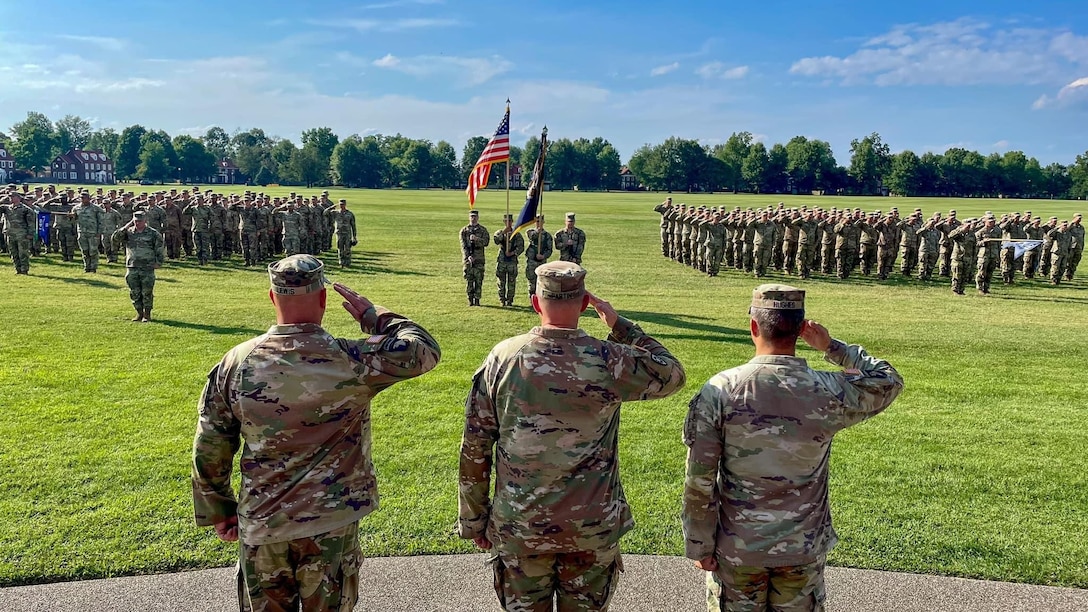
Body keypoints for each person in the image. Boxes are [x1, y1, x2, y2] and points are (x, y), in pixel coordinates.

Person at [192, 254, 441, 612]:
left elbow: (211, 445)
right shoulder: (350, 359)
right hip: (331, 525)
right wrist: (377, 317)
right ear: (324, 299)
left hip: (263, 522)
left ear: (272, 297)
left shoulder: (236, 363)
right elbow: (422, 349)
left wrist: (219, 508)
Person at [459, 261, 686, 612]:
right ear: (583, 304)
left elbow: (476, 446)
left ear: (536, 302)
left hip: (521, 525)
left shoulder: (503, 358)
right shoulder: (610, 358)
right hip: (590, 527)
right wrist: (621, 326)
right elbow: (671, 373)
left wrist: (474, 519)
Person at [682, 284, 903, 612]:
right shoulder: (826, 389)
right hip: (801, 550)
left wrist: (700, 544)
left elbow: (699, 479)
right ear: (801, 330)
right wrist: (832, 347)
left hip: (739, 548)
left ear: (753, 327)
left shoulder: (721, 390)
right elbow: (887, 380)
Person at [112, 211, 164, 322]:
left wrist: (158, 262)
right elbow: (115, 238)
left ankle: (147, 314)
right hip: (132, 266)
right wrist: (126, 226)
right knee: (134, 292)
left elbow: (159, 248)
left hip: (147, 266)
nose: (137, 223)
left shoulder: (153, 233)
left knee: (147, 292)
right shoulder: (129, 233)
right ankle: (139, 313)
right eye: (135, 221)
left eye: (140, 221)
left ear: (145, 221)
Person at [0, 190, 36, 274]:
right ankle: (17, 269)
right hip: (10, 234)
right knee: (13, 253)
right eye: (10, 197)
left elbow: (31, 222)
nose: (11, 198)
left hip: (22, 234)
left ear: (18, 198)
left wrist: (30, 233)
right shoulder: (6, 208)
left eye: (13, 196)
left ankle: (24, 269)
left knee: (23, 253)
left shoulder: (26, 209)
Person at [493, 213, 525, 307]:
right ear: (504, 222)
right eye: (506, 221)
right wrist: (503, 233)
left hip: (512, 261)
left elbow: (521, 247)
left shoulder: (517, 234)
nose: (508, 223)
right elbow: (496, 241)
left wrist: (513, 253)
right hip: (502, 261)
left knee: (511, 282)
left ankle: (510, 300)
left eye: (510, 221)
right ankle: (502, 300)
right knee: (501, 282)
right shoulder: (499, 232)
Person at [460, 209, 490, 306]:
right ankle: (470, 299)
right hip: (468, 260)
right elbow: (463, 246)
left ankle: (477, 299)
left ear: (478, 217)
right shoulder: (464, 231)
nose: (473, 218)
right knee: (469, 280)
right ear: (469, 217)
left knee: (478, 280)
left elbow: (486, 242)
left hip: (479, 258)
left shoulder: (482, 230)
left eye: (475, 217)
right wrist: (468, 256)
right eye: (471, 216)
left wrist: (477, 239)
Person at [524, 214, 553, 300]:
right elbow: (531, 237)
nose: (538, 223)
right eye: (537, 221)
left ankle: (540, 301)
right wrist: (537, 231)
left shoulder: (547, 236)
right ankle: (532, 300)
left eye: (540, 221)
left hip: (541, 262)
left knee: (542, 282)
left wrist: (543, 256)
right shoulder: (530, 231)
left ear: (543, 222)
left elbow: (549, 249)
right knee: (532, 282)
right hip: (532, 261)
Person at [326, 199, 358, 268]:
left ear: (345, 205)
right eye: (340, 204)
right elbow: (325, 213)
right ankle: (341, 262)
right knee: (340, 248)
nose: (341, 206)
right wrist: (332, 207)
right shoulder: (335, 212)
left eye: (343, 204)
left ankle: (347, 262)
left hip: (347, 233)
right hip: (339, 233)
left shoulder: (350, 214)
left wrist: (354, 236)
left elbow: (353, 226)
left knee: (347, 248)